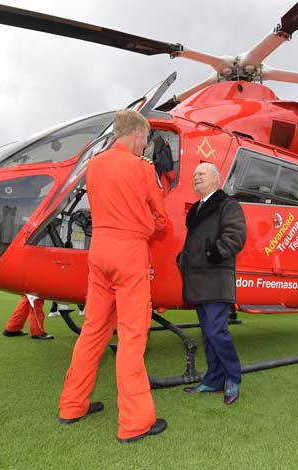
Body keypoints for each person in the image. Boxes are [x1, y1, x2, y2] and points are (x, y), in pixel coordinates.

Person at [57, 109, 168, 444]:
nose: (146, 145)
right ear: (135, 133)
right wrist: (148, 227)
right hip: (129, 254)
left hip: (99, 253)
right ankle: (135, 423)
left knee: (92, 331)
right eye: (146, 138)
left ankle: (72, 405)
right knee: (133, 337)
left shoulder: (94, 164)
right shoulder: (142, 168)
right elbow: (161, 220)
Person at [178, 162, 246, 405]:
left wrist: (212, 254)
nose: (196, 176)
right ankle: (214, 379)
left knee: (217, 332)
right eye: (195, 173)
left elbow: (236, 237)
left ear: (216, 179)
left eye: (202, 174)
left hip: (216, 280)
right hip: (198, 281)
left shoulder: (228, 204)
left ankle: (233, 378)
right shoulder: (197, 209)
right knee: (208, 334)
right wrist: (183, 259)